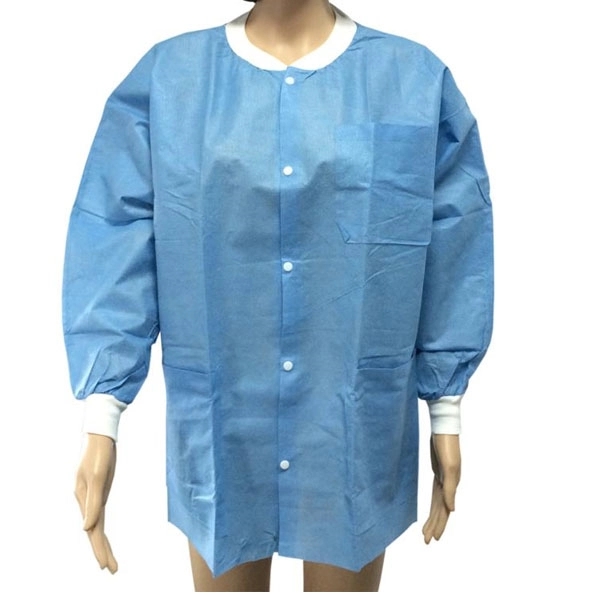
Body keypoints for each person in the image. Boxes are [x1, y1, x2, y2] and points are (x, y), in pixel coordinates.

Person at [63, 0, 493, 592]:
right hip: (222, 416)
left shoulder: (413, 79)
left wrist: (446, 408)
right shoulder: (171, 79)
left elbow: (456, 245)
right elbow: (115, 238)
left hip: (350, 418)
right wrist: (102, 415)